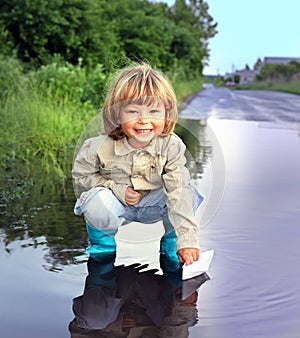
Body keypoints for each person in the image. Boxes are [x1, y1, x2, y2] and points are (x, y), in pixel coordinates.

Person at [72, 63, 203, 266]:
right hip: (118, 204)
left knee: (187, 192)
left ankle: (173, 243)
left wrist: (188, 239)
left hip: (156, 205)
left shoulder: (171, 145)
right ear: (117, 115)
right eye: (133, 111)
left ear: (166, 113)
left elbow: (178, 187)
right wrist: (116, 188)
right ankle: (103, 248)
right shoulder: (98, 146)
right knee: (95, 201)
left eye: (154, 111)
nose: (144, 120)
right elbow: (81, 177)